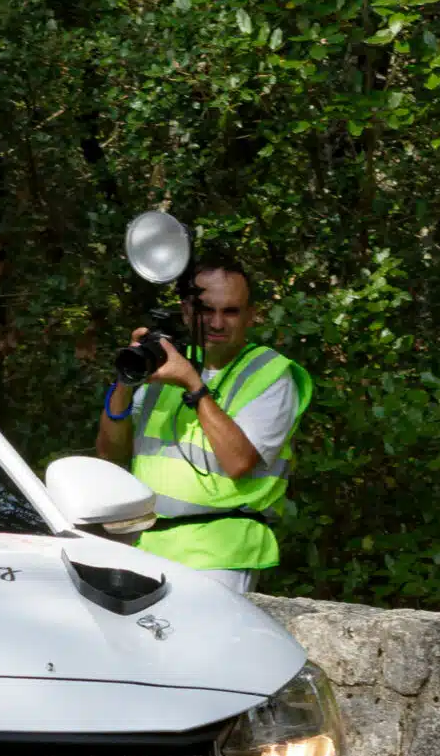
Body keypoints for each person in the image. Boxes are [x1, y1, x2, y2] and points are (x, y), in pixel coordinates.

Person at [95, 251, 312, 593]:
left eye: (230, 311)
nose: (216, 323)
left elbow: (239, 462)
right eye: (206, 310)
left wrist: (194, 387)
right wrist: (126, 378)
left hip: (220, 552)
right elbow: (110, 454)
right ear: (186, 311)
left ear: (251, 315)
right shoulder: (166, 365)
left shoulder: (270, 374)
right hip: (145, 548)